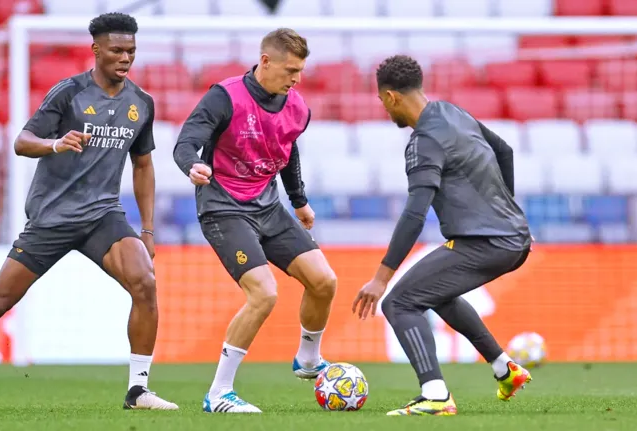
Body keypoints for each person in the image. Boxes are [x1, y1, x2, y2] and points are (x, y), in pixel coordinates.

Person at [0, 12, 178, 411]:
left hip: (102, 215)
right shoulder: (68, 93)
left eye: (131, 51)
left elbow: (144, 165)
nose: (125, 58)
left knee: (145, 283)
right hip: (53, 217)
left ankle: (138, 391)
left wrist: (148, 231)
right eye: (117, 50)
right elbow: (21, 141)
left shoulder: (141, 103)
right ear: (96, 49)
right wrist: (55, 144)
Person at [351, 55, 533, 416]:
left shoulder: (423, 143)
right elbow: (505, 151)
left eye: (381, 101)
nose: (384, 109)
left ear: (391, 97)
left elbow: (414, 214)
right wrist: (505, 209)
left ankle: (435, 395)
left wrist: (380, 278)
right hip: (512, 237)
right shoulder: (453, 112)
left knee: (399, 302)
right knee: (434, 291)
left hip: (487, 243)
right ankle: (505, 369)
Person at [173, 28, 337, 414]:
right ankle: (219, 393)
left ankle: (309, 360)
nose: (296, 79)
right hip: (223, 207)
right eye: (290, 70)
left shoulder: (297, 106)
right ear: (265, 61)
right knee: (264, 293)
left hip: (268, 207)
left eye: (300, 71)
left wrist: (299, 201)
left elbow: (288, 147)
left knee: (324, 281)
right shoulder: (225, 96)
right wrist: (191, 165)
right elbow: (186, 140)